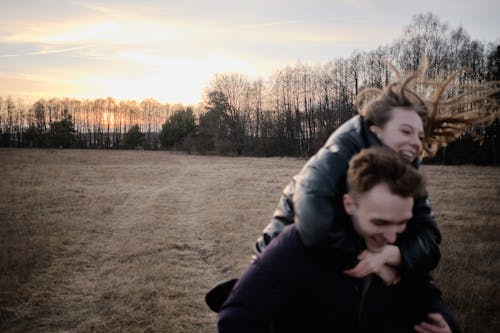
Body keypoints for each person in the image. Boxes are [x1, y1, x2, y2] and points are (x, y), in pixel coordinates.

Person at [254, 58, 500, 283]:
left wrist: (394, 254)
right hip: (276, 268)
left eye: (420, 136)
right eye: (406, 131)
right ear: (376, 129)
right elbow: (316, 226)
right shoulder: (339, 153)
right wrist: (374, 262)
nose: (416, 142)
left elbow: (428, 239)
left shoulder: (404, 166)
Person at [218, 147, 460, 333]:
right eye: (380, 223)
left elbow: (426, 297)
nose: (391, 236)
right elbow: (237, 316)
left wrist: (445, 324)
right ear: (349, 204)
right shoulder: (298, 245)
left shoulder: (400, 244)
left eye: (402, 222)